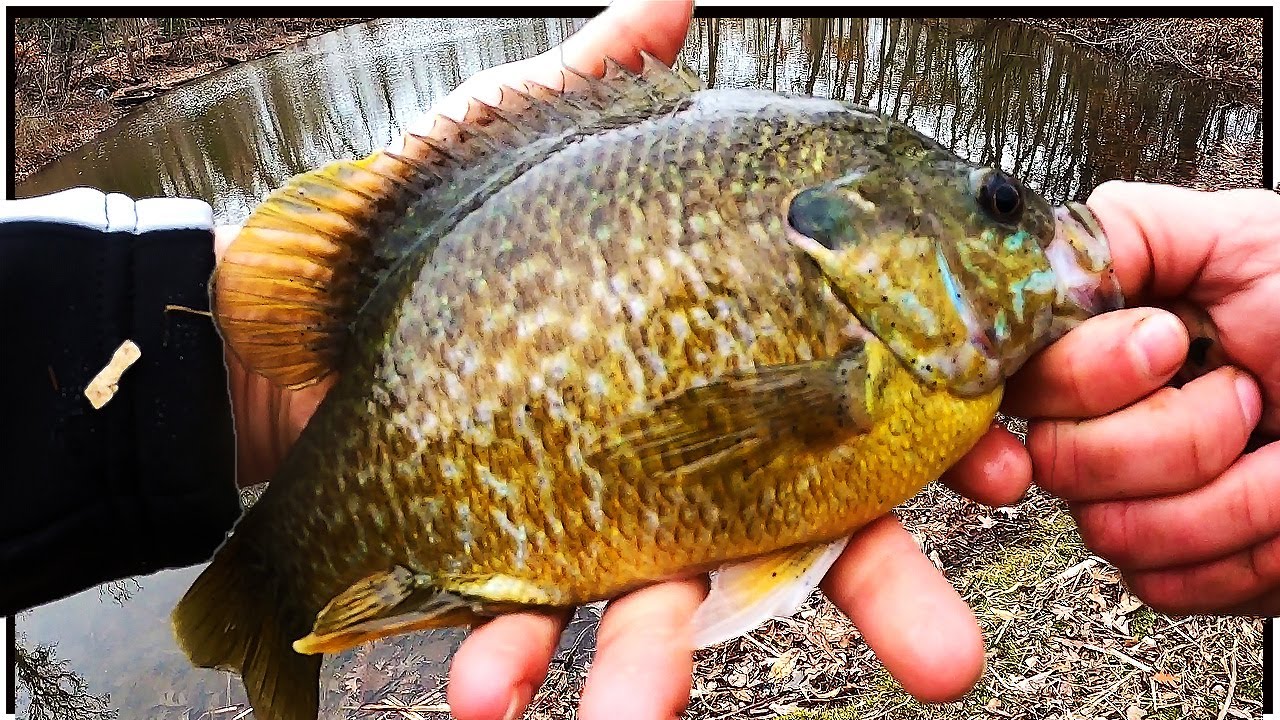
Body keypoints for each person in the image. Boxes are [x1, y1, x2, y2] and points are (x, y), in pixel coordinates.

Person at [2, 4, 1274, 720]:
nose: (1027, 232)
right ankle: (275, 592)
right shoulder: (877, 351)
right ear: (855, 233)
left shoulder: (922, 368)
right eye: (994, 206)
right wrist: (257, 372)